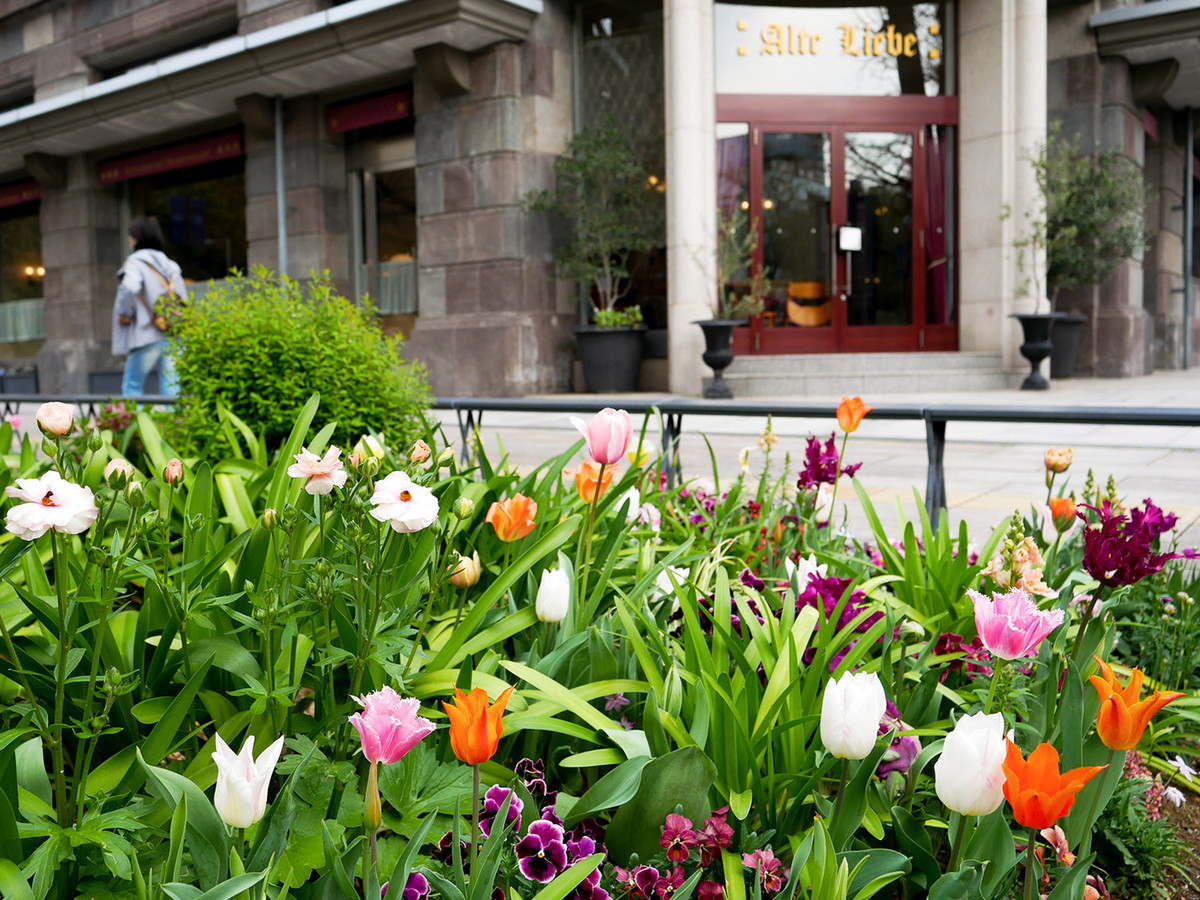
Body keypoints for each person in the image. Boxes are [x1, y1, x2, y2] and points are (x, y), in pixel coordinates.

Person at [112, 216, 187, 397]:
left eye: (131, 236)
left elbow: (130, 287)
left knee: (132, 386)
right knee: (172, 388)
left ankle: (137, 425)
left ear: (136, 238)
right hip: (172, 333)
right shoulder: (171, 265)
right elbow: (183, 299)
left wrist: (124, 313)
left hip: (146, 333)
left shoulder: (135, 263)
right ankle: (172, 424)